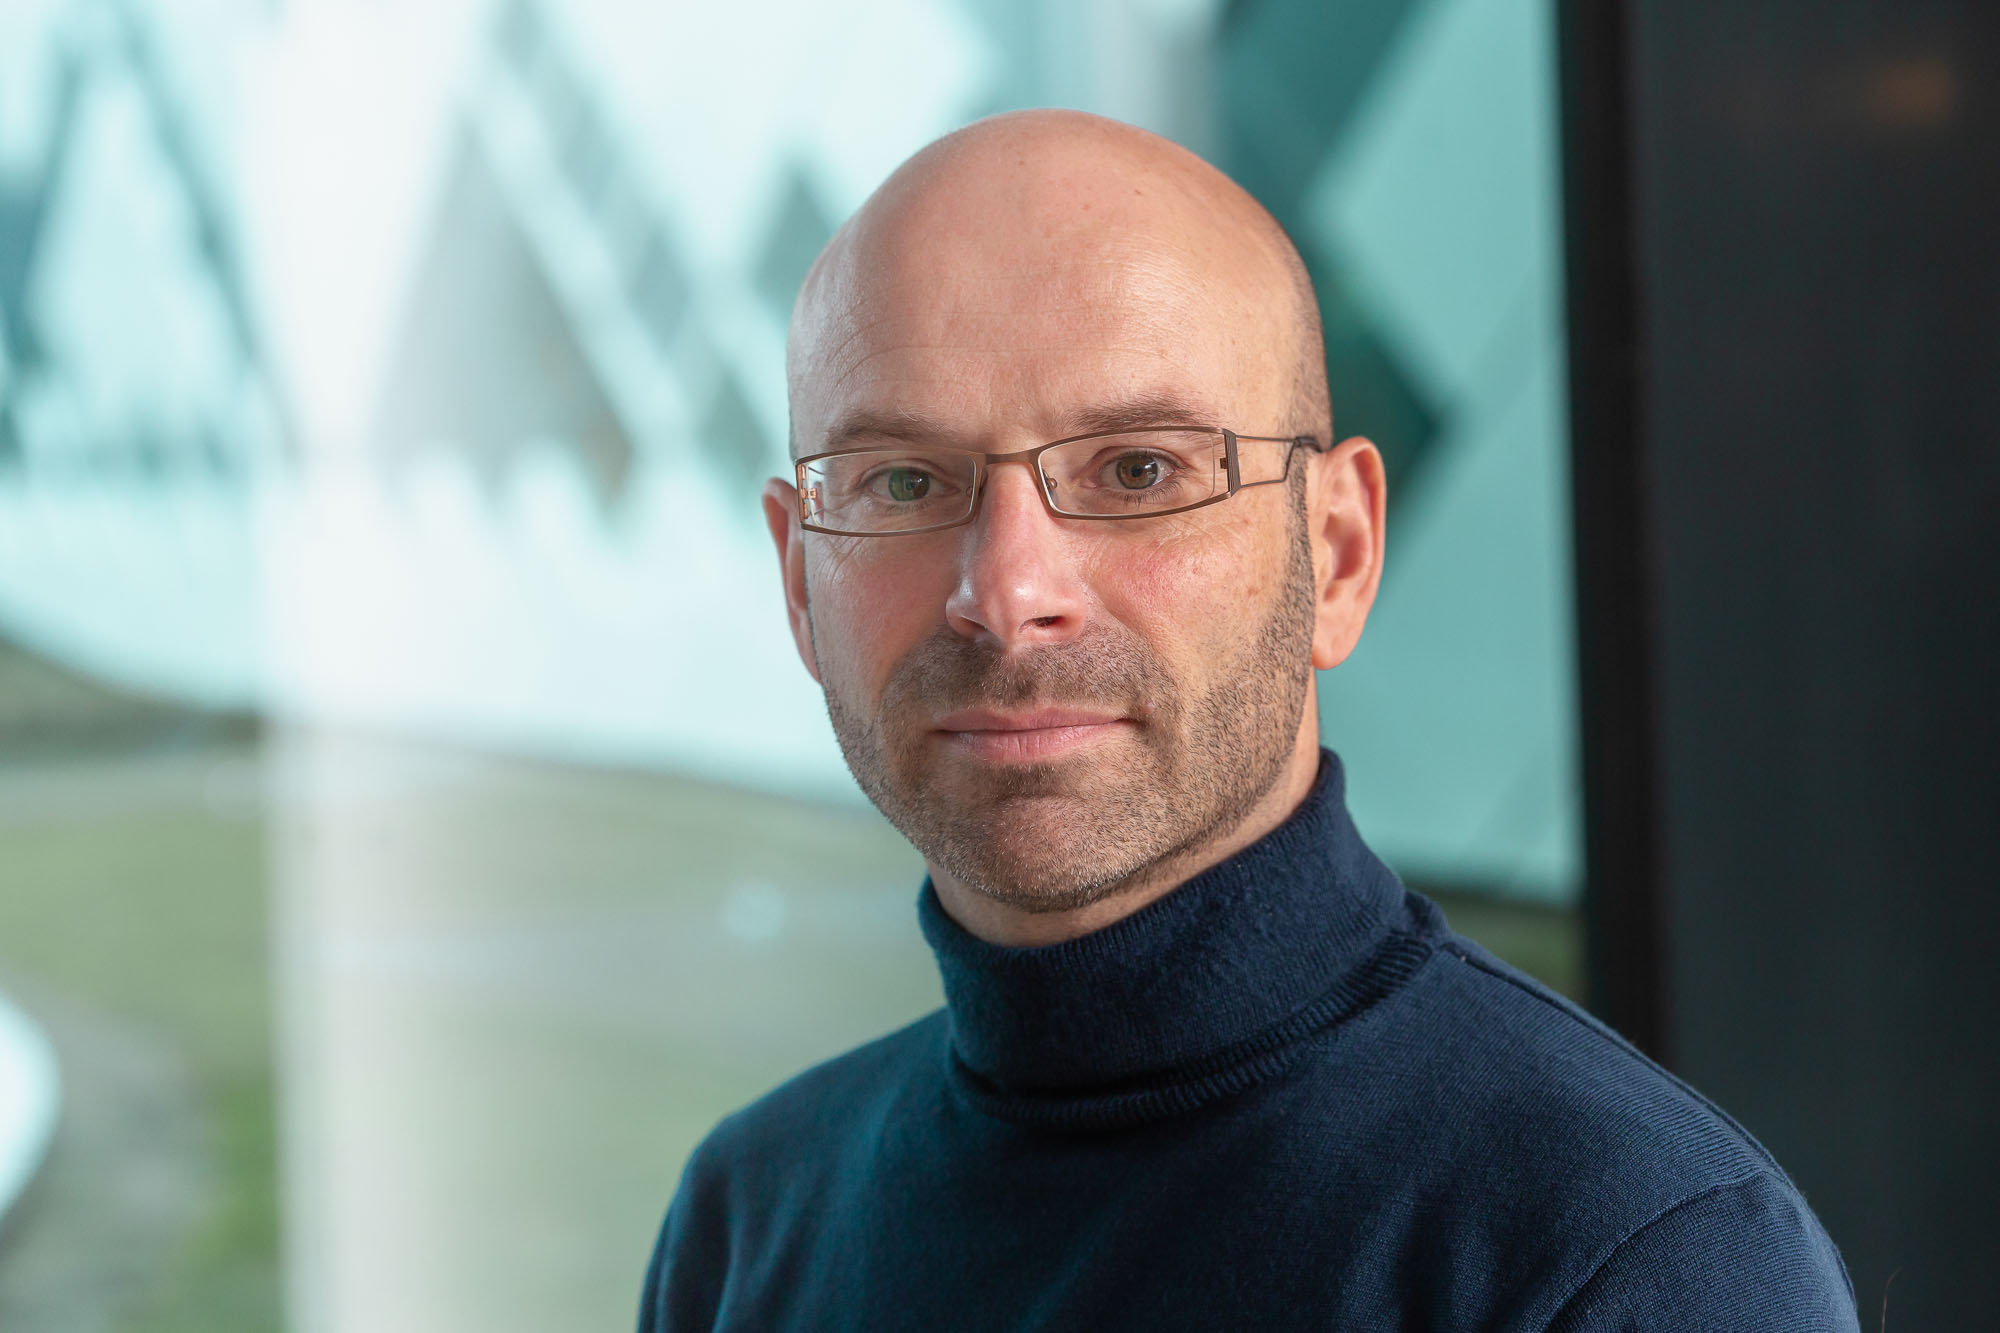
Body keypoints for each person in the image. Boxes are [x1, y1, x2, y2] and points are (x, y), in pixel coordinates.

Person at [638, 110, 1859, 1331]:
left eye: (1137, 470)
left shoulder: (1634, 1257)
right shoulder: (745, 1221)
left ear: (1336, 552)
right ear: (799, 582)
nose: (1006, 594)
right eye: (902, 482)